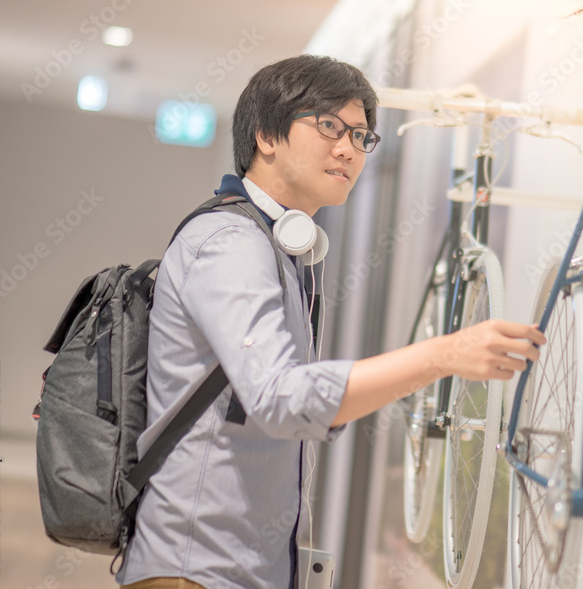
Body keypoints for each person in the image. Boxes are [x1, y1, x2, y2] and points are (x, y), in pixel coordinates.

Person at [115, 55, 544, 589]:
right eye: (328, 127)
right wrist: (444, 355)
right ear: (267, 135)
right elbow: (280, 399)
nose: (348, 148)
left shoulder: (274, 250)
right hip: (195, 572)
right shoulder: (230, 244)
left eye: (362, 136)